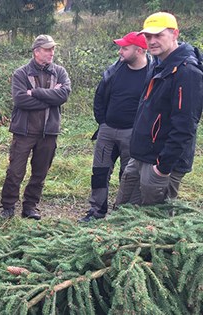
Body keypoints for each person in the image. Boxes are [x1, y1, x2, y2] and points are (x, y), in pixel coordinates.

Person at [115, 12, 203, 207]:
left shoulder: (187, 72)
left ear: (175, 34)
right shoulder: (158, 64)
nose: (152, 41)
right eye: (148, 37)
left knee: (151, 223)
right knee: (122, 212)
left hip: (160, 163)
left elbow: (185, 126)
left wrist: (162, 168)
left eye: (158, 35)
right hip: (140, 156)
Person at [79, 32, 152, 223]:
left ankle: (124, 214)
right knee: (100, 172)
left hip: (133, 134)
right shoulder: (114, 70)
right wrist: (102, 122)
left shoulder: (153, 74)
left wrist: (141, 130)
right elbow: (99, 97)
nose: (120, 51)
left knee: (128, 176)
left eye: (124, 48)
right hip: (107, 131)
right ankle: (96, 211)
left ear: (139, 50)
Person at [0, 35, 71, 220]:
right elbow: (21, 100)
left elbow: (63, 96)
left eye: (53, 49)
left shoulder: (60, 72)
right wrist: (50, 98)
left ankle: (30, 207)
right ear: (36, 51)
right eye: (47, 49)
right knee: (15, 171)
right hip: (24, 132)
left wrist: (37, 93)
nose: (51, 52)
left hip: (49, 132)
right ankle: (7, 206)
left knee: (40, 172)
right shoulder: (21, 73)